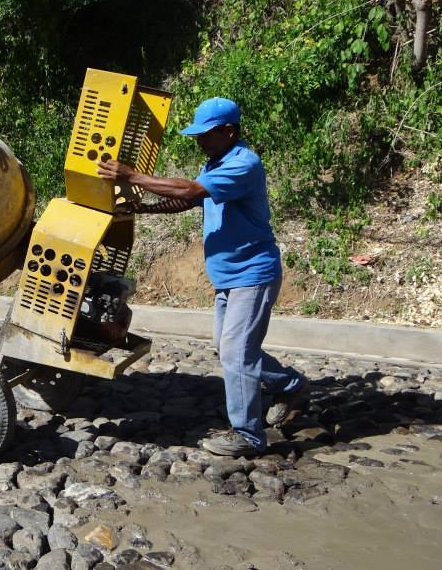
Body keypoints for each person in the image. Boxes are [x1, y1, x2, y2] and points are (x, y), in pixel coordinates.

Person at [97, 97, 308, 457]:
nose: (199, 140)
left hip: (251, 275)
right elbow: (190, 200)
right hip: (229, 278)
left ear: (229, 131)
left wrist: (132, 176)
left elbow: (191, 190)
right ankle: (289, 384)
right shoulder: (216, 162)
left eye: (206, 134)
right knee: (230, 349)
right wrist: (145, 207)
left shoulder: (243, 165)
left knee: (236, 355)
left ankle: (248, 435)